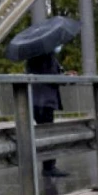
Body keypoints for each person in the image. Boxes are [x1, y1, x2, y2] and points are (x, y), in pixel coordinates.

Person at [25, 45, 69, 178]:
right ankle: (49, 167)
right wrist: (64, 77)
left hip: (36, 100)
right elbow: (52, 78)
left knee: (44, 134)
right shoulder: (47, 57)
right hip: (45, 101)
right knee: (48, 134)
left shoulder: (33, 57)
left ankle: (48, 166)